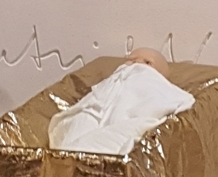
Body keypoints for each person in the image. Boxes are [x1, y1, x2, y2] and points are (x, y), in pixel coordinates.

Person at [48, 48, 194, 156]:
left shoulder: (154, 82)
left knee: (125, 131)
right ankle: (67, 153)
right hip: (97, 110)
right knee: (82, 118)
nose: (136, 63)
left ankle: (80, 153)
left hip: (129, 120)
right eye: (131, 60)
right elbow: (95, 97)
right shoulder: (116, 77)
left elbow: (173, 99)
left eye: (147, 62)